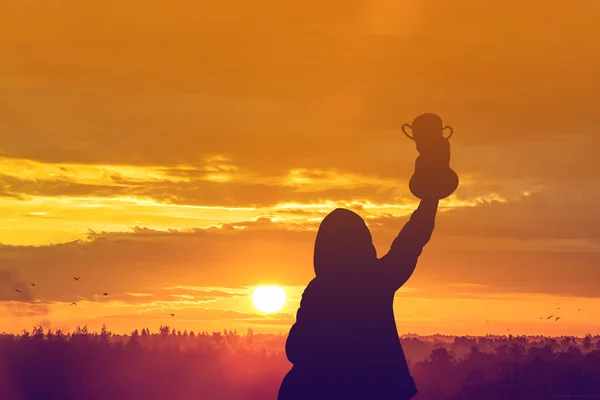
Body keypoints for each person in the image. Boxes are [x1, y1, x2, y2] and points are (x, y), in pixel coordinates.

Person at [278, 197, 439, 400]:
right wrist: (430, 199)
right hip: (378, 390)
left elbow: (295, 348)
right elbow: (410, 241)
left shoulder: (318, 290)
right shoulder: (377, 280)